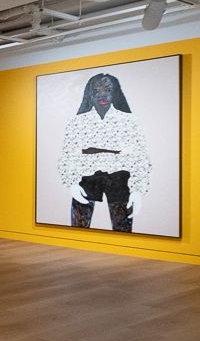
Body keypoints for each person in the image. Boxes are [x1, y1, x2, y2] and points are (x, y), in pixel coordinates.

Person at [57, 73, 151, 231]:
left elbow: (140, 156)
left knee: (123, 228)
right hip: (86, 177)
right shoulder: (77, 123)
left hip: (120, 177)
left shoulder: (130, 121)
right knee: (79, 227)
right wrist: (72, 182)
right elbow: (68, 154)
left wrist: (137, 190)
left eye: (108, 89)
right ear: (90, 93)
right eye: (97, 89)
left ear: (115, 92)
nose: (102, 94)